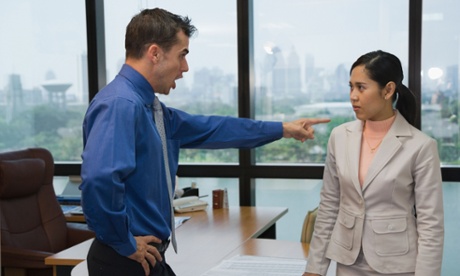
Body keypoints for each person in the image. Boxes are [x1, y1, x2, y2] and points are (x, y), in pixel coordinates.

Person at [80, 8, 330, 276]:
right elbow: (100, 181)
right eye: (182, 55)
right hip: (126, 259)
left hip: (145, 258)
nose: (185, 68)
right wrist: (124, 242)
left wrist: (282, 129)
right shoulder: (120, 105)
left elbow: (213, 128)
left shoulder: (152, 109)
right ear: (154, 53)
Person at [303, 50, 444, 276]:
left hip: (397, 265)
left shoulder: (420, 146)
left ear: (388, 90)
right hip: (347, 262)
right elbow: (329, 207)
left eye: (361, 87)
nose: (353, 96)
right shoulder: (339, 137)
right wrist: (315, 268)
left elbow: (431, 226)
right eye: (351, 87)